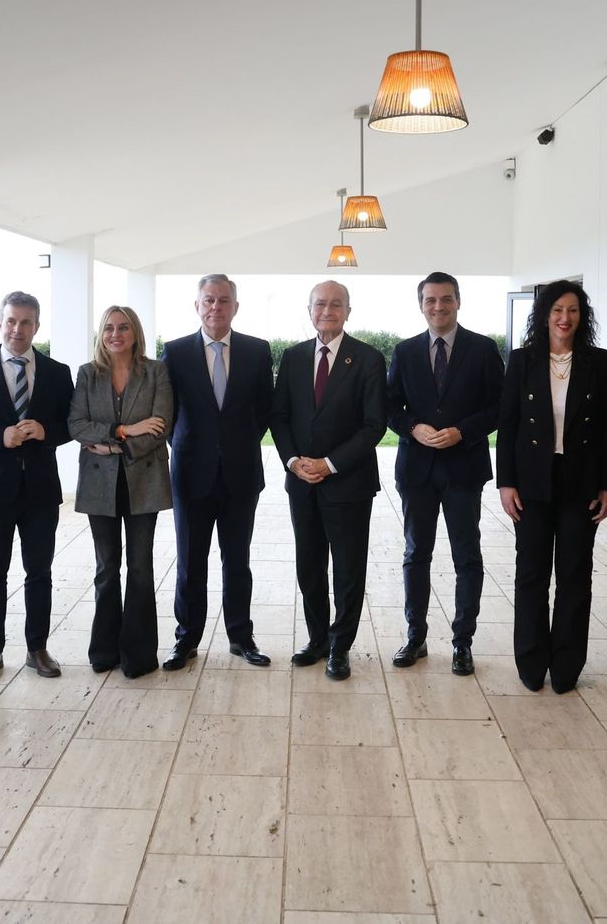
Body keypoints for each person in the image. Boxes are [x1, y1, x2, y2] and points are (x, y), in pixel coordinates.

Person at [496, 280, 607, 694]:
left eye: (572, 310)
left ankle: (566, 664)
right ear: (544, 315)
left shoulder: (599, 363)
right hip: (531, 482)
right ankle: (531, 661)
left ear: (581, 317)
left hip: (581, 482)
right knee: (530, 574)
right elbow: (509, 425)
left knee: (574, 575)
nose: (565, 318)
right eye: (557, 310)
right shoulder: (522, 359)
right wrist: (506, 482)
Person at [385, 272, 503, 675]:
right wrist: (412, 426)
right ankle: (415, 637)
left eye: (446, 299)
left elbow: (499, 407)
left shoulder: (484, 349)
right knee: (416, 553)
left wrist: (463, 432)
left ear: (458, 301)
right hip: (416, 470)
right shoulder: (404, 351)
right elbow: (391, 406)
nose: (439, 306)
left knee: (466, 556)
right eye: (431, 300)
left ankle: (462, 642)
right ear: (421, 305)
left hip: (463, 469)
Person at [0, 291, 74, 681]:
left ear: (36, 326)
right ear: (0, 322)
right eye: (11, 321)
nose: (17, 329)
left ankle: (37, 649)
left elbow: (71, 424)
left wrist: (45, 431)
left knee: (39, 572)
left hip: (41, 489)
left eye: (25, 322)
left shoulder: (57, 372)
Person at [271, 280, 387, 681]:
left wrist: (330, 463)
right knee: (309, 565)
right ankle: (318, 638)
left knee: (348, 569)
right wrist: (292, 462)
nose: (327, 310)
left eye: (336, 304)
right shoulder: (293, 357)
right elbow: (280, 417)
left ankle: (341, 647)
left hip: (348, 483)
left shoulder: (368, 359)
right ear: (309, 310)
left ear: (348, 311)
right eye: (320, 304)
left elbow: (374, 425)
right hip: (301, 483)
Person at [160, 274, 273, 671]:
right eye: (208, 300)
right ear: (197, 306)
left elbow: (264, 411)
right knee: (191, 560)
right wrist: (194, 448)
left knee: (237, 560)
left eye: (224, 300)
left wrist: (234, 446)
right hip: (191, 475)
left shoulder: (258, 352)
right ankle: (186, 639)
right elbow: (167, 413)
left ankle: (241, 637)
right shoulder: (174, 353)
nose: (215, 307)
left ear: (235, 307)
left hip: (241, 475)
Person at [69, 305, 173, 678]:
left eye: (123, 327)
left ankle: (139, 656)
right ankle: (105, 651)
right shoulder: (87, 374)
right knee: (106, 569)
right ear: (102, 334)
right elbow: (77, 424)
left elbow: (160, 426)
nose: (116, 334)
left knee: (141, 570)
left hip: (144, 480)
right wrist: (123, 431)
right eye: (109, 328)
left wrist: (115, 445)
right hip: (100, 484)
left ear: (135, 332)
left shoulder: (156, 371)